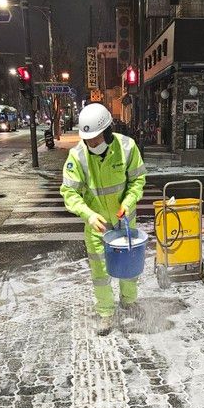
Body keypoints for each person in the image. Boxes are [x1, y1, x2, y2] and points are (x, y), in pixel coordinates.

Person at [60, 103, 146, 335]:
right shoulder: (77, 156)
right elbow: (69, 192)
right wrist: (88, 215)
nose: (92, 145)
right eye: (89, 140)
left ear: (108, 132)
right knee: (100, 272)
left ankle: (129, 302)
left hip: (125, 223)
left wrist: (128, 203)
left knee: (129, 267)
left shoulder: (127, 147)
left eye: (97, 139)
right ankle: (106, 313)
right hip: (98, 227)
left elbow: (138, 180)